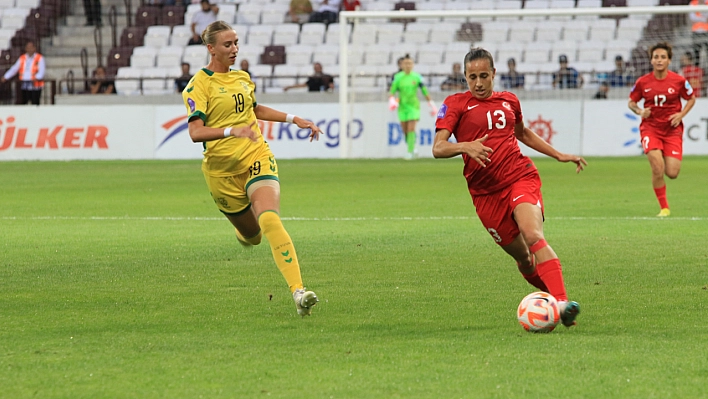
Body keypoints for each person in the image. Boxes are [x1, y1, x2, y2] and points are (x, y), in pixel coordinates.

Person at [432, 47, 586, 329]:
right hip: (485, 194)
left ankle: (562, 304)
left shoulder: (509, 101)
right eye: (471, 77)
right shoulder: (455, 104)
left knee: (532, 234)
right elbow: (438, 148)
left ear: (494, 74)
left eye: (483, 76)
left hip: (519, 176)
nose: (478, 83)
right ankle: (553, 302)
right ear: (465, 77)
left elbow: (522, 133)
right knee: (525, 260)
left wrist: (559, 154)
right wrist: (466, 146)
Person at [182, 21, 322, 316]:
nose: (234, 49)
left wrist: (293, 118)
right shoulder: (199, 85)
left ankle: (298, 293)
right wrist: (231, 131)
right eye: (227, 45)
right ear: (211, 49)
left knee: (269, 218)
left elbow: (253, 109)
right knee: (254, 235)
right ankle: (245, 232)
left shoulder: (243, 77)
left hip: (255, 154)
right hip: (221, 173)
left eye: (236, 43)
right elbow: (196, 132)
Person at [628, 42, 696, 217]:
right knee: (657, 168)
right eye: (656, 57)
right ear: (651, 60)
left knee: (672, 173)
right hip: (650, 128)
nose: (659, 60)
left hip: (672, 130)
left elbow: (691, 98)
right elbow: (631, 102)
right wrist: (640, 111)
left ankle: (664, 158)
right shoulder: (643, 82)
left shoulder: (679, 81)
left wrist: (681, 115)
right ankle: (664, 208)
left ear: (669, 60)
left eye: (663, 57)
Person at [389, 54, 436, 160]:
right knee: (405, 130)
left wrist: (430, 103)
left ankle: (410, 152)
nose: (408, 65)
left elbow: (424, 90)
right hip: (402, 107)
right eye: (406, 63)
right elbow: (392, 92)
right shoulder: (398, 77)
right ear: (402, 65)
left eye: (410, 63)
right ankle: (413, 148)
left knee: (411, 128)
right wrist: (392, 100)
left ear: (413, 65)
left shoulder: (417, 77)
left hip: (413, 106)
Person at [1, 41, 45, 105]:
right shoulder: (22, 58)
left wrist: (37, 77)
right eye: (28, 48)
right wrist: (6, 77)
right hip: (24, 85)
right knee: (23, 103)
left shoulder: (39, 58)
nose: (29, 49)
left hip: (35, 86)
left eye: (31, 47)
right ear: (25, 49)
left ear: (34, 48)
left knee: (35, 104)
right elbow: (14, 69)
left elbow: (42, 71)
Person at [689, 0, 708, 66]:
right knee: (696, 54)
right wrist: (703, 19)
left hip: (706, 31)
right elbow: (692, 18)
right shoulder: (693, 3)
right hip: (696, 32)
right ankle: (697, 71)